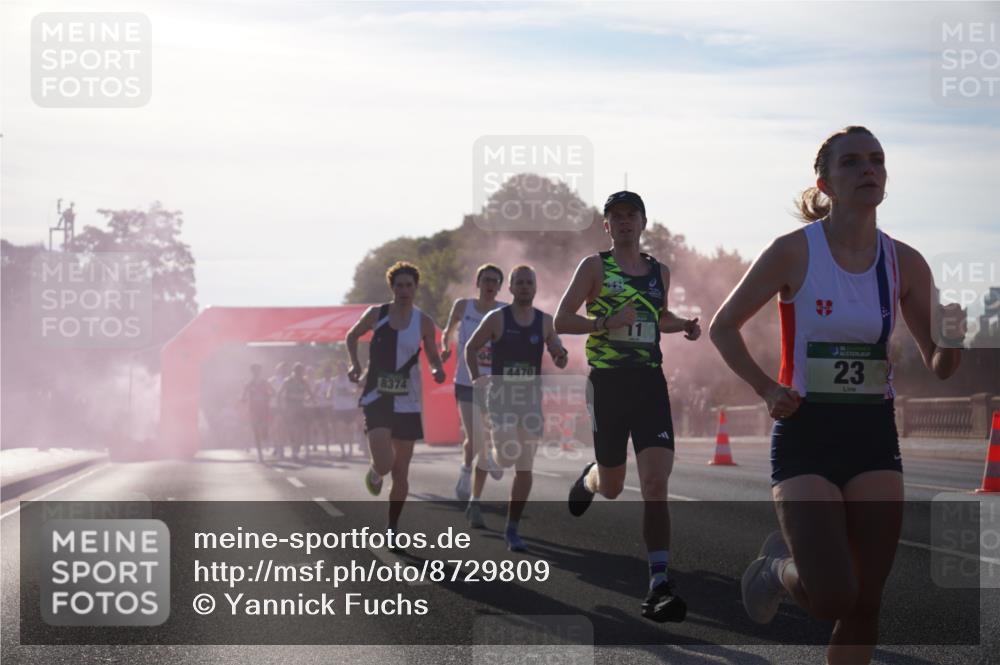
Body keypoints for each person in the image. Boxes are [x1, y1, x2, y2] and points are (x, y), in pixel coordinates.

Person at [708, 126, 964, 665]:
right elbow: (723, 326)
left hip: (872, 433)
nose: (868, 169)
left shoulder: (904, 262)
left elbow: (940, 364)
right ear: (824, 182)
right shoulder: (791, 253)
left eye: (877, 160)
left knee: (865, 602)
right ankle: (777, 568)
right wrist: (765, 388)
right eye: (852, 163)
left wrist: (955, 339)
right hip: (806, 430)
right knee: (831, 596)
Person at [554, 190, 701, 623]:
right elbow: (562, 320)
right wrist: (603, 323)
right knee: (615, 486)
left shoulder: (660, 271)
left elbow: (659, 318)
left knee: (656, 483)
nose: (623, 223)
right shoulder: (595, 267)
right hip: (608, 385)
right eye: (615, 217)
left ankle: (659, 583)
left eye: (630, 216)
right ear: (606, 225)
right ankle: (593, 475)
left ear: (642, 222)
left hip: (649, 383)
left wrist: (685, 326)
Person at [464, 265, 568, 549]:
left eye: (528, 282)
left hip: (530, 401)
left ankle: (512, 529)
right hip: (501, 398)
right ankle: (491, 466)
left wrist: (560, 355)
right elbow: (471, 348)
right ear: (510, 288)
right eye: (519, 282)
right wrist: (476, 378)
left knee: (525, 468)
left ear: (535, 287)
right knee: (509, 455)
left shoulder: (545, 321)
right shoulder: (497, 318)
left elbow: (557, 347)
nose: (524, 287)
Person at [346, 261, 446, 545]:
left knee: (401, 472)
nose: (404, 290)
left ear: (416, 288)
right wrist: (354, 365)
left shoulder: (423, 321)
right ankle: (376, 470)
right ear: (392, 288)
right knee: (386, 464)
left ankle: (392, 527)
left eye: (409, 285)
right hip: (377, 396)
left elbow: (432, 354)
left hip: (408, 401)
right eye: (399, 285)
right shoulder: (376, 314)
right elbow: (352, 336)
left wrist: (437, 369)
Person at [440, 263, 506, 503]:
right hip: (467, 381)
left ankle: (467, 469)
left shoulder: (504, 311)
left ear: (499, 287)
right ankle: (485, 461)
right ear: (477, 283)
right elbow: (447, 332)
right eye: (485, 280)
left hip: (494, 384)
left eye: (494, 281)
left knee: (486, 433)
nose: (489, 285)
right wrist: (445, 348)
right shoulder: (462, 306)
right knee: (475, 432)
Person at [277, 362, 315, 461]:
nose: (299, 373)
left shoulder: (304, 382)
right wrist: (280, 406)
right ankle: (288, 448)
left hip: (300, 408)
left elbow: (310, 394)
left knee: (299, 430)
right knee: (290, 430)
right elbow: (279, 394)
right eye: (297, 371)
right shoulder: (288, 381)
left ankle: (296, 450)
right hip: (289, 408)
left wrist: (308, 399)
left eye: (300, 371)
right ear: (293, 371)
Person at [241, 363, 274, 462]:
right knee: (255, 431)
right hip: (253, 410)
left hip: (263, 409)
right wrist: (243, 399)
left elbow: (274, 392)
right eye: (254, 371)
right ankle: (260, 455)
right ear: (252, 372)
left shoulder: (265, 382)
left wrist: (267, 396)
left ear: (260, 372)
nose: (256, 373)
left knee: (264, 429)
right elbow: (243, 397)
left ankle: (266, 438)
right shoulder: (249, 383)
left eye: (257, 371)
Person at [330, 359, 361, 458]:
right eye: (338, 368)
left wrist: (351, 392)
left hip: (350, 407)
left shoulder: (351, 379)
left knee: (350, 430)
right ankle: (343, 452)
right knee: (340, 430)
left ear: (345, 368)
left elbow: (357, 390)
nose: (340, 369)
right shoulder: (334, 380)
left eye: (342, 367)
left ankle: (350, 450)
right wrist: (328, 396)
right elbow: (330, 392)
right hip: (338, 408)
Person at [267, 361, 290, 458]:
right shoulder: (271, 380)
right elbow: (267, 392)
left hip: (285, 406)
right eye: (281, 368)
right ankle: (276, 446)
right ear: (277, 369)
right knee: (275, 427)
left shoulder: (289, 379)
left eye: (284, 368)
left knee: (282, 428)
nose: (283, 370)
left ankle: (281, 447)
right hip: (274, 406)